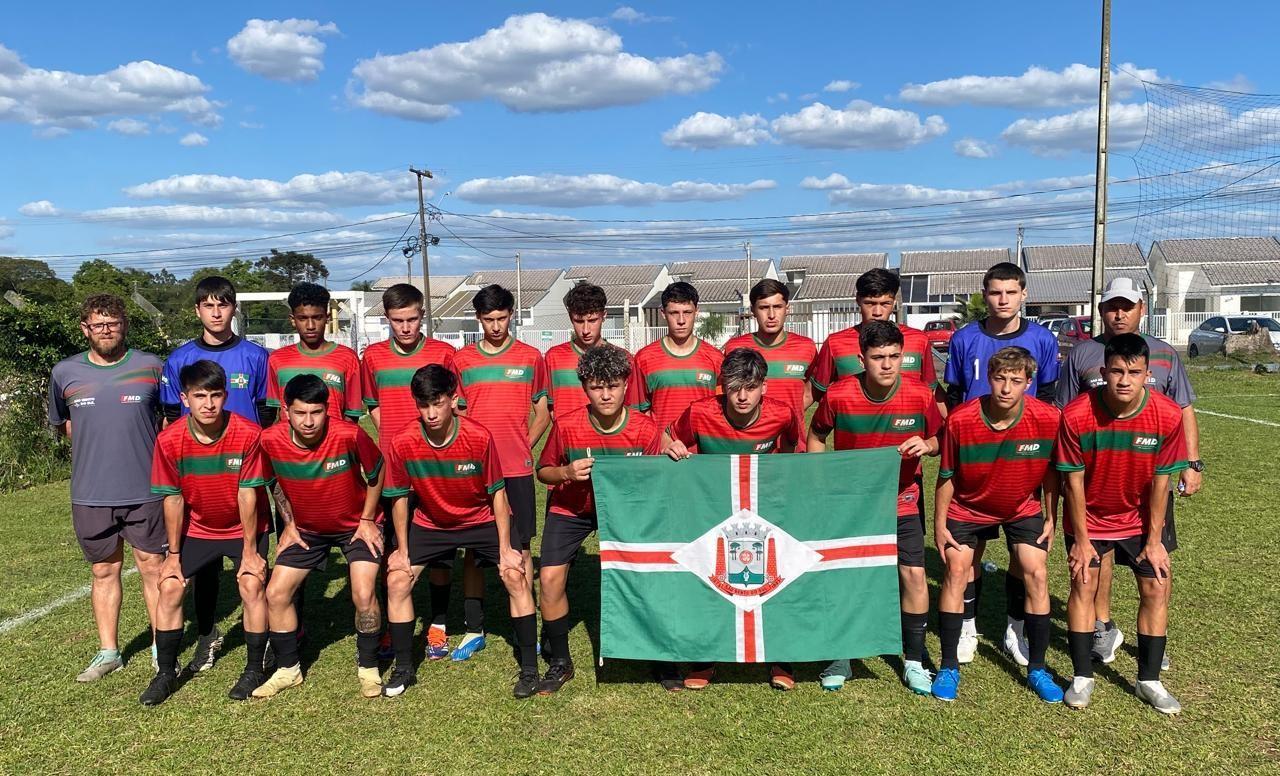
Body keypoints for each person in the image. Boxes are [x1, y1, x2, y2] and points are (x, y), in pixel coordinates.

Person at [1056, 276, 1202, 669]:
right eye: (1111, 306)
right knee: (1095, 564)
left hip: (1147, 478)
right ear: (1101, 311)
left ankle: (1154, 644)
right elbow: (1065, 414)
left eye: (1127, 306)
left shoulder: (1166, 354)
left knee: (1155, 564)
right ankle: (1102, 627)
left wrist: (1192, 461)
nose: (1118, 313)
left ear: (1142, 308)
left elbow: (1182, 408)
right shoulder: (1082, 354)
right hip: (1097, 480)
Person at [382, 366, 541, 699]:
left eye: (437, 403)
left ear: (453, 400)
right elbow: (398, 498)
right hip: (431, 524)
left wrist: (504, 548)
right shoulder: (403, 442)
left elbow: (498, 494)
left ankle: (529, 669)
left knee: (514, 575)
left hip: (481, 519)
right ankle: (403, 669)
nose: (431, 413)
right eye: (423, 405)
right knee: (397, 579)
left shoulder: (479, 437)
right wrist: (401, 548)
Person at [808, 320, 942, 694]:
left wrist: (926, 445)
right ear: (860, 359)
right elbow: (817, 435)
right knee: (844, 575)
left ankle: (913, 660)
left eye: (895, 357)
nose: (887, 365)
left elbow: (940, 439)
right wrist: (823, 481)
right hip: (851, 505)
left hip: (902, 501)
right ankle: (841, 655)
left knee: (913, 576)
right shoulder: (838, 395)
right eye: (878, 357)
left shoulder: (919, 395)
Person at [1057, 334, 1187, 714]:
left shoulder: (1168, 414)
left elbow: (1162, 482)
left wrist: (1155, 539)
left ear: (1148, 374)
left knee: (1157, 586)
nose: (1124, 380)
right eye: (1116, 371)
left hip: (1139, 518)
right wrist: (1081, 540)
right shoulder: (1076, 414)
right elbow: (1073, 481)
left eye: (1134, 372)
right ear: (1103, 372)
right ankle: (1082, 676)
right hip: (1090, 517)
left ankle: (1149, 680)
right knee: (1083, 584)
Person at [663, 347, 804, 691]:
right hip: (713, 507)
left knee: (774, 578)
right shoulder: (699, 413)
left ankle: (780, 658)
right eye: (734, 387)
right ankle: (706, 659)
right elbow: (666, 435)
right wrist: (672, 446)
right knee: (711, 580)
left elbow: (792, 450)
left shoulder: (783, 414)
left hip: (764, 506)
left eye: (751, 387)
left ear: (764, 387)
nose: (742, 396)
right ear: (722, 386)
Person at [930, 347, 1063, 704]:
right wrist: (939, 524)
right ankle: (948, 665)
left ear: (1029, 383)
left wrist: (1052, 517)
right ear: (989, 379)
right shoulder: (960, 420)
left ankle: (1037, 667)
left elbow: (1052, 474)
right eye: (1000, 379)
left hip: (1021, 507)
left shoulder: (1049, 418)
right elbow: (947, 477)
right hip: (968, 506)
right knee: (956, 570)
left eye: (1016, 381)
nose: (1006, 388)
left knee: (1036, 572)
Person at [943, 261, 1059, 667]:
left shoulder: (1043, 340)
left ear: (1024, 294)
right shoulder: (964, 339)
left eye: (1011, 292)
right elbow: (955, 393)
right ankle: (968, 627)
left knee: (1021, 553)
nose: (1003, 299)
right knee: (968, 555)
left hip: (1020, 458)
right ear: (985, 295)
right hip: (976, 456)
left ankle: (1016, 626)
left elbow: (1047, 395)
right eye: (995, 292)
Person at [48, 294, 166, 682]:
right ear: (85, 329)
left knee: (153, 567)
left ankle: (159, 647)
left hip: (146, 490)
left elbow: (166, 423)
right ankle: (108, 652)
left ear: (125, 325)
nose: (105, 330)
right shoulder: (65, 372)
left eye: (112, 323)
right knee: (103, 570)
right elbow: (64, 426)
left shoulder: (151, 367)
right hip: (91, 493)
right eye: (97, 324)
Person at [143, 361, 273, 706]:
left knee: (250, 582)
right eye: (200, 396)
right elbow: (172, 499)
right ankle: (166, 673)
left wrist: (249, 551)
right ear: (185, 399)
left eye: (216, 395)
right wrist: (172, 556)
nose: (209, 403)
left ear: (226, 396)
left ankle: (255, 667)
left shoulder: (248, 433)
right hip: (198, 528)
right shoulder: (169, 440)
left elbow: (249, 495)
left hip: (243, 526)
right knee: (169, 587)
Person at [535, 345, 662, 695]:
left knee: (652, 575)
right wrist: (565, 470)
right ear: (584, 388)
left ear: (626, 385)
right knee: (549, 579)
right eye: (596, 386)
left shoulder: (645, 430)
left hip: (624, 511)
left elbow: (657, 480)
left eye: (613, 386)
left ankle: (658, 655)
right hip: (571, 509)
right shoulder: (567, 426)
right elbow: (542, 472)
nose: (605, 395)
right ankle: (560, 660)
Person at [159, 276, 269, 674]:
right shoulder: (179, 359)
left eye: (223, 304)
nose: (217, 311)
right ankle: (207, 634)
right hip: (200, 476)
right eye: (208, 305)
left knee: (255, 564)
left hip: (245, 465)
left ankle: (269, 637)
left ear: (234, 308)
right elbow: (172, 418)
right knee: (202, 568)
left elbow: (267, 413)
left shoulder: (256, 357)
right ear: (198, 311)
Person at [251, 375, 386, 699]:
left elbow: (377, 472)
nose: (309, 421)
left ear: (328, 409)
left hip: (356, 526)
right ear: (285, 411)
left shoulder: (349, 434)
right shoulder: (269, 441)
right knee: (276, 592)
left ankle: (368, 667)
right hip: (308, 531)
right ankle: (288, 670)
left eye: (316, 412)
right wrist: (290, 525)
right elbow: (273, 482)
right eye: (300, 413)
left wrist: (367, 519)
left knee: (363, 592)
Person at [361, 283, 468, 661]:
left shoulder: (444, 353)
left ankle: (438, 623)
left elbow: (458, 406)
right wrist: (392, 436)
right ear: (387, 319)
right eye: (397, 321)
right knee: (394, 548)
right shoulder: (372, 357)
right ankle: (395, 625)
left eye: (412, 319)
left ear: (423, 315)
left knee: (439, 548)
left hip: (436, 467)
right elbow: (372, 405)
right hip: (396, 467)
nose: (405, 328)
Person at [450, 284, 550, 635]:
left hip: (516, 469)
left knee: (521, 548)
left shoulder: (530, 357)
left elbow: (542, 413)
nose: (495, 326)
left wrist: (524, 445)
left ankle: (526, 625)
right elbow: (457, 415)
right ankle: (474, 628)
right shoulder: (461, 360)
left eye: (502, 318)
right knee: (475, 553)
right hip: (477, 473)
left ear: (512, 316)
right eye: (488, 319)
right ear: (478, 318)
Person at [810, 268, 937, 397]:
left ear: (894, 302)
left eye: (885, 304)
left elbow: (931, 392)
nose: (877, 312)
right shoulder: (835, 343)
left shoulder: (919, 340)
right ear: (858, 300)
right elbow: (814, 394)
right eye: (870, 303)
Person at [266, 282, 364, 423]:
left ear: (327, 318)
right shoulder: (277, 359)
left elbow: (352, 414)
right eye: (303, 318)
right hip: (289, 444)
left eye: (317, 318)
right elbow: (274, 412)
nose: (310, 326)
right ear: (293, 320)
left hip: (334, 444)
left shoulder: (347, 357)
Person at [634, 282, 725, 431]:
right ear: (663, 313)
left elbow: (723, 410)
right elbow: (638, 412)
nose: (681, 320)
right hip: (662, 451)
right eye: (674, 313)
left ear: (697, 312)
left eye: (687, 312)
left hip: (703, 451)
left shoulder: (715, 358)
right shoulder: (644, 358)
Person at [721, 278, 817, 420]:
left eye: (777, 307)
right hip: (748, 439)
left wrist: (791, 412)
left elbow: (813, 389)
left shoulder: (806, 347)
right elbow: (724, 391)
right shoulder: (735, 347)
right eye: (764, 308)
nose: (771, 315)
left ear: (787, 309)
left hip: (791, 440)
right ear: (753, 310)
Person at [544, 281, 640, 417]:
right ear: (571, 318)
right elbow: (550, 409)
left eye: (592, 320)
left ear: (604, 316)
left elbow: (632, 410)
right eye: (579, 321)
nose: (585, 330)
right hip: (568, 437)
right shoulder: (553, 357)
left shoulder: (624, 358)